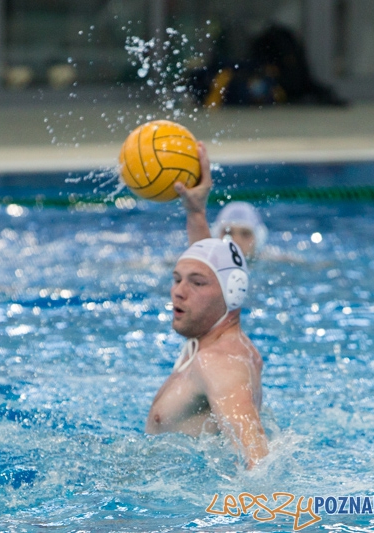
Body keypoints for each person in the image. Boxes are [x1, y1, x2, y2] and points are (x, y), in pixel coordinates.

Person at [145, 143, 269, 469]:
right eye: (176, 279)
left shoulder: (219, 362)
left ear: (231, 294)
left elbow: (260, 462)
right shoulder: (216, 340)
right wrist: (196, 213)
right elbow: (210, 273)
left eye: (195, 283)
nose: (178, 293)